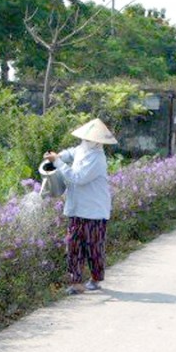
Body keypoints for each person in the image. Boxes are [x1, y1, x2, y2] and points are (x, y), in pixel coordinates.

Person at [44, 117, 117, 295]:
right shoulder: (82, 149)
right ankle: (76, 282)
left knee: (93, 247)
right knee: (73, 244)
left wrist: (59, 163)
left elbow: (78, 178)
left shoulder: (97, 158)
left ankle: (96, 277)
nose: (86, 141)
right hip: (77, 208)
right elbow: (70, 153)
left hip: (94, 210)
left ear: (97, 141)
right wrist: (58, 156)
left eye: (89, 139)